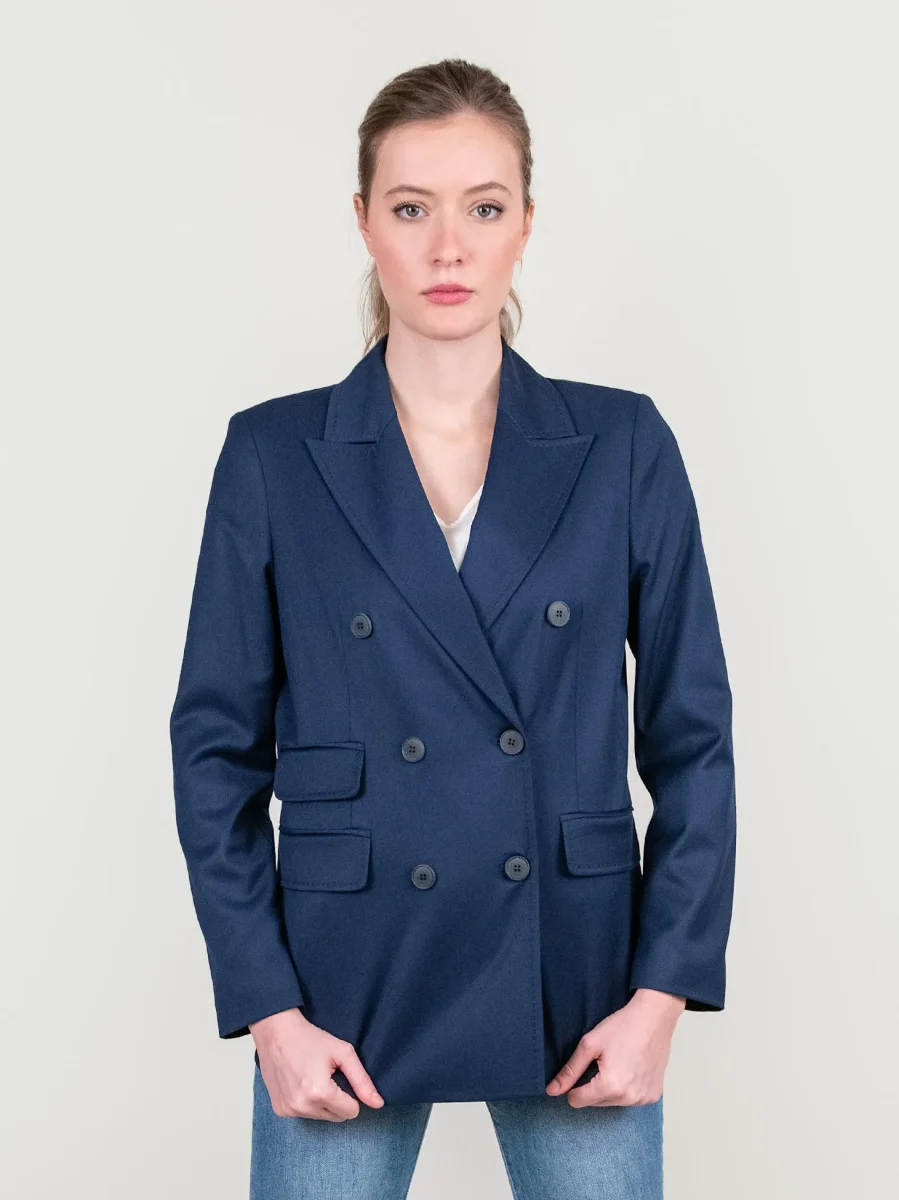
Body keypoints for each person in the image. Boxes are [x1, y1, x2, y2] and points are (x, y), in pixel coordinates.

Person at [169, 57, 737, 1200]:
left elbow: (694, 741)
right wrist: (269, 1010)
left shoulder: (623, 448)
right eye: (409, 209)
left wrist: (660, 996)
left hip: (577, 981)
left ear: (525, 223)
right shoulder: (272, 458)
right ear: (361, 222)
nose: (446, 249)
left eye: (481, 208)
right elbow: (212, 750)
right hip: (341, 986)